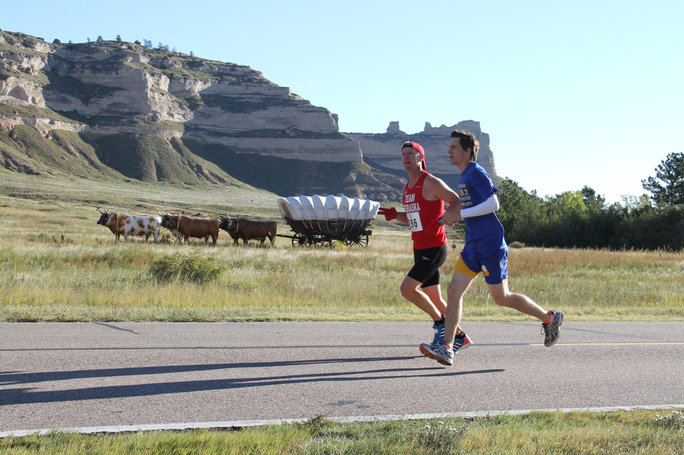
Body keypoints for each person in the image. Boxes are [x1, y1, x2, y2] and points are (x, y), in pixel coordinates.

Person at [420, 130, 564, 366]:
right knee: (453, 292)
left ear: (467, 151)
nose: (449, 151)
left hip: (491, 245)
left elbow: (493, 204)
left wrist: (461, 213)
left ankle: (549, 318)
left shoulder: (476, 172)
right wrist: (454, 217)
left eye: (454, 147)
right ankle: (448, 346)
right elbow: (472, 209)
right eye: (450, 147)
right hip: (473, 246)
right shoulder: (464, 175)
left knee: (502, 297)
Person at [378, 141, 471, 355]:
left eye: (411, 153)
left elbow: (456, 202)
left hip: (434, 247)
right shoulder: (408, 186)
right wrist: (396, 215)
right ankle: (459, 336)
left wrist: (446, 219)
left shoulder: (430, 182)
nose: (406, 157)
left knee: (407, 289)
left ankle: (440, 325)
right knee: (435, 297)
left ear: (421, 158)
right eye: (403, 154)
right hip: (419, 246)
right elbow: (413, 219)